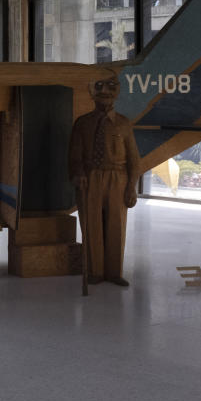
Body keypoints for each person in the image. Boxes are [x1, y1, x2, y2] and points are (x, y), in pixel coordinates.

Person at [68, 76, 140, 286]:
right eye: (99, 90)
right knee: (92, 225)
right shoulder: (83, 123)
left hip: (118, 178)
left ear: (116, 95)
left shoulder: (124, 124)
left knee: (116, 224)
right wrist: (78, 173)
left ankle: (114, 272)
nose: (105, 95)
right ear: (92, 95)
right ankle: (95, 271)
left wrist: (132, 187)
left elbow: (134, 159)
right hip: (91, 178)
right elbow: (74, 155)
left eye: (110, 90)